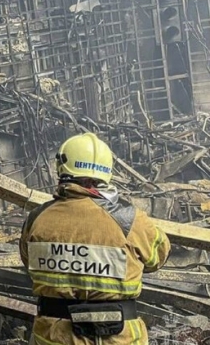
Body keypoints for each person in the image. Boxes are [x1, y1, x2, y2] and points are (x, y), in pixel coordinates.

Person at [20, 132, 171, 345]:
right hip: (120, 338)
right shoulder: (129, 220)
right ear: (105, 172)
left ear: (62, 168)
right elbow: (158, 257)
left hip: (54, 338)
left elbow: (28, 264)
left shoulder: (36, 219)